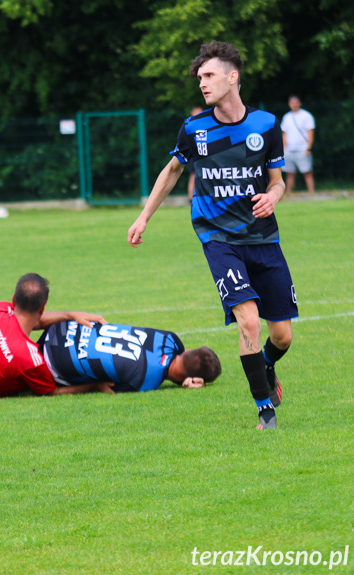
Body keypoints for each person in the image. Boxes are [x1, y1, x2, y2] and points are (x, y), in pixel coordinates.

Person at [127, 41, 297, 430]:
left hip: (263, 238)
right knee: (249, 323)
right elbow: (171, 171)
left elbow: (278, 182)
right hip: (217, 237)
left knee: (282, 336)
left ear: (232, 76)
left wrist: (272, 198)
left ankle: (265, 366)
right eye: (199, 77)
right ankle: (264, 411)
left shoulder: (266, 125)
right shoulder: (195, 128)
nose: (202, 83)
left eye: (208, 75)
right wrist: (144, 217)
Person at [0, 273, 106, 399]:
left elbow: (34, 322)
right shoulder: (30, 358)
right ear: (42, 308)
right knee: (19, 376)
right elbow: (53, 392)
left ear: (13, 300)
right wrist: (95, 386)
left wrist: (69, 315)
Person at [39, 320, 221, 393]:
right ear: (192, 378)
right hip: (53, 363)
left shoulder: (170, 339)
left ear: (188, 351)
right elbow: (107, 388)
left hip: (59, 329)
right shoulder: (146, 382)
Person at [280, 95, 316, 194]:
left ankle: (312, 192)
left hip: (303, 149)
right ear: (289, 104)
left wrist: (308, 148)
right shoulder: (286, 117)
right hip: (289, 149)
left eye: (296, 102)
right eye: (292, 102)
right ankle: (288, 193)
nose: (294, 105)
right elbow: (284, 134)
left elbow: (310, 133)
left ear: (299, 103)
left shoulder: (306, 116)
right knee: (290, 173)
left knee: (307, 171)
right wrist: (283, 149)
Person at [187, 106, 205, 201]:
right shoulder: (190, 126)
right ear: (192, 113)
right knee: (193, 176)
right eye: (196, 112)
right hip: (195, 155)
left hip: (207, 155)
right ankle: (191, 200)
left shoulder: (205, 124)